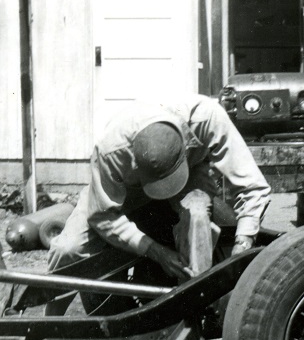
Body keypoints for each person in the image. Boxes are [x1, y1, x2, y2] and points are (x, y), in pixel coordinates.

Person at [37, 94, 271, 313]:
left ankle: (195, 312)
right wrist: (156, 252)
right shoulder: (111, 149)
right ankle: (48, 325)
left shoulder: (208, 118)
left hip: (190, 176)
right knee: (67, 249)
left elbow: (253, 186)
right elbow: (102, 215)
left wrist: (242, 244)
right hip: (127, 191)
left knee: (198, 218)